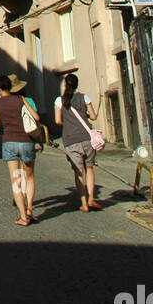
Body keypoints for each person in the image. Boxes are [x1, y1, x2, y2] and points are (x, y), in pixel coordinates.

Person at [0, 74, 41, 225]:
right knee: (30, 176)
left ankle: (22, 217)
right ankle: (30, 208)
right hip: (26, 141)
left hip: (9, 141)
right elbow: (36, 117)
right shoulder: (21, 100)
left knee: (16, 179)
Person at [54, 74, 101, 211]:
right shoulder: (84, 97)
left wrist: (69, 125)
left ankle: (84, 203)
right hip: (87, 137)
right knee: (90, 167)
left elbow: (57, 121)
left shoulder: (59, 101)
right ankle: (91, 198)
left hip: (70, 140)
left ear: (65, 85)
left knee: (78, 171)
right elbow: (93, 116)